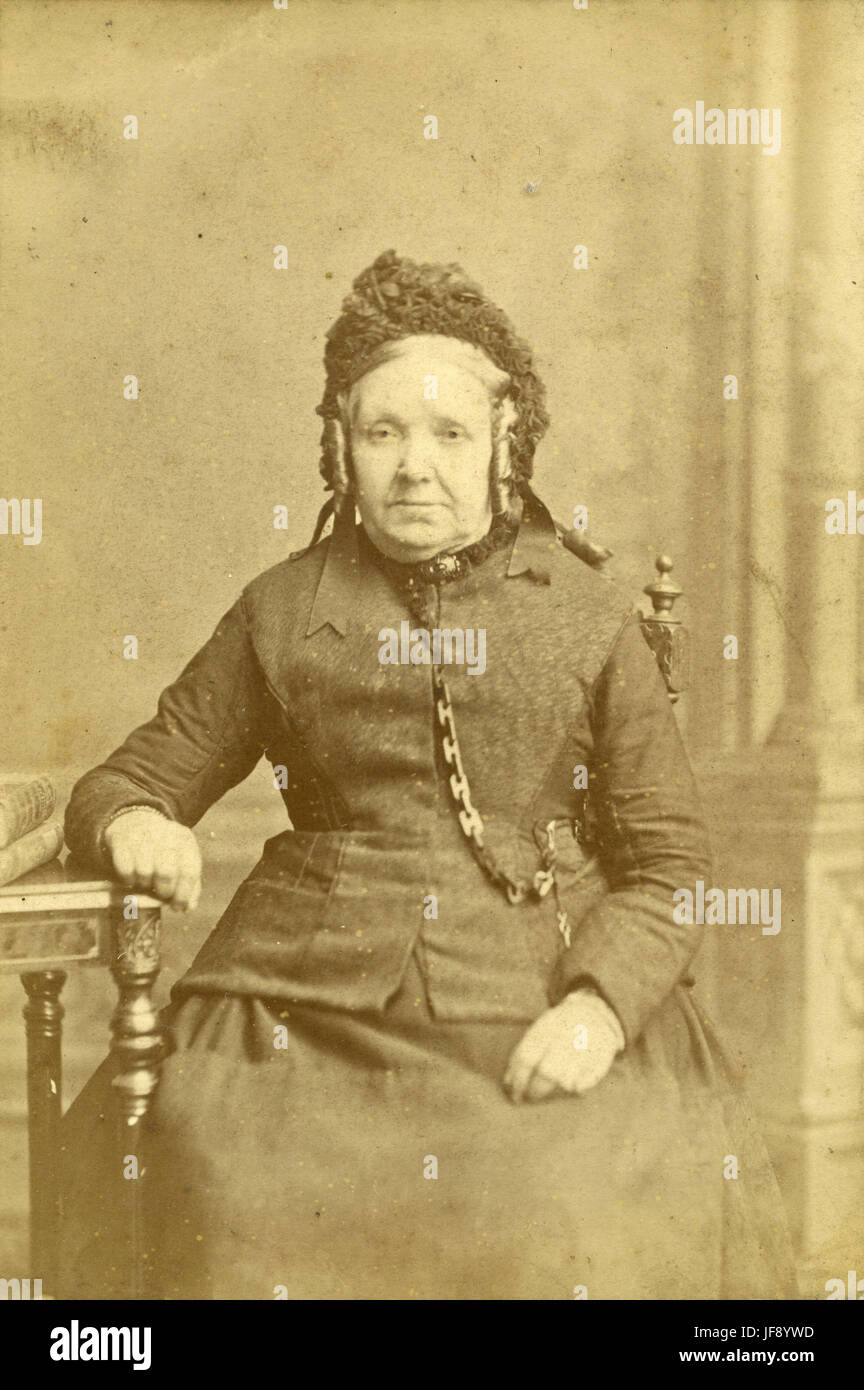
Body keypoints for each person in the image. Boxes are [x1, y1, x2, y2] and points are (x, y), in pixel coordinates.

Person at [59, 250, 796, 1300]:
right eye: (384, 432)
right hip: (299, 1013)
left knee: (567, 1207)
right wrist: (136, 820)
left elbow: (672, 863)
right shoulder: (281, 607)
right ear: (339, 450)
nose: (415, 465)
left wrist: (596, 1011)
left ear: (506, 449)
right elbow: (133, 773)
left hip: (537, 996)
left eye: (450, 433)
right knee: (217, 1178)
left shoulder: (589, 615)